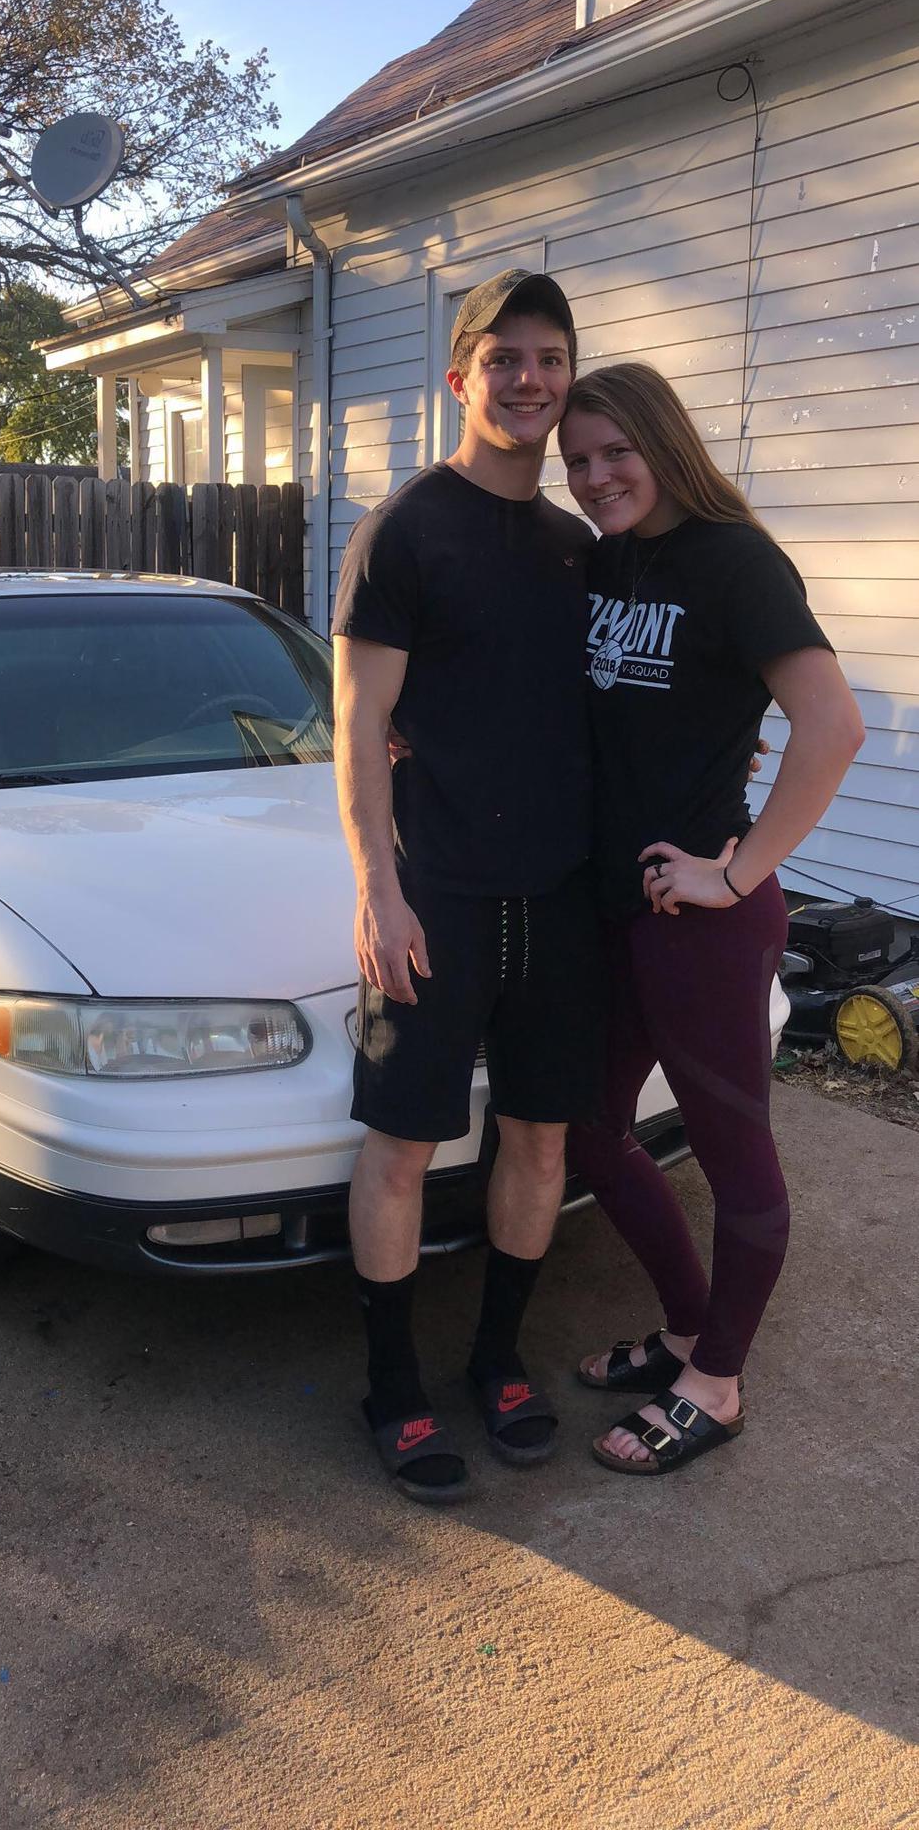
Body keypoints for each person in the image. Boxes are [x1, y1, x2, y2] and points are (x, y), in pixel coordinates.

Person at [559, 362, 864, 1477]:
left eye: (615, 453)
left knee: (736, 1157)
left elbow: (831, 725)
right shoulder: (605, 561)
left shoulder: (736, 561)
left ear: (665, 442)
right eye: (577, 461)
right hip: (610, 910)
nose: (595, 476)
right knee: (588, 1131)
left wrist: (735, 877)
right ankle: (690, 1329)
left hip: (702, 921)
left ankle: (717, 1384)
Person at [331, 268, 601, 1503]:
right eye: (505, 358)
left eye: (549, 358)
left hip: (559, 899)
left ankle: (497, 1356)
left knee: (539, 1136)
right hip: (433, 894)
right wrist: (375, 890)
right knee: (401, 1144)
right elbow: (356, 723)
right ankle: (391, 1383)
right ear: (461, 377)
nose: (528, 379)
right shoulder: (403, 530)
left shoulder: (581, 547)